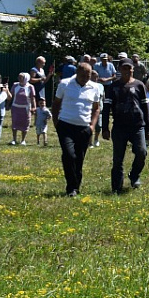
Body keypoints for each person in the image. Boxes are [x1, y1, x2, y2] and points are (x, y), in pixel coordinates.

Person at [51, 61, 103, 197]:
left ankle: (76, 187)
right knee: (69, 155)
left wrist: (92, 126)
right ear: (77, 73)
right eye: (83, 76)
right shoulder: (65, 84)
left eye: (88, 75)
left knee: (79, 158)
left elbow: (96, 108)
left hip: (84, 128)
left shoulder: (95, 87)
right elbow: (56, 104)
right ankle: (71, 187)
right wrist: (56, 122)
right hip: (66, 125)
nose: (86, 78)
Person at [104, 59, 148, 194]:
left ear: (133, 69)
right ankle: (117, 187)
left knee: (141, 152)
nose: (127, 70)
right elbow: (106, 108)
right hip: (119, 127)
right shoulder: (113, 87)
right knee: (118, 159)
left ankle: (134, 175)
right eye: (124, 68)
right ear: (119, 69)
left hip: (137, 126)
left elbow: (145, 107)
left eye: (129, 68)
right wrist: (105, 127)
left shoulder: (139, 85)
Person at [9, 72, 34, 145]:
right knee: (15, 123)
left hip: (26, 108)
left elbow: (32, 98)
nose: (19, 79)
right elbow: (11, 95)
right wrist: (8, 104)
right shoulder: (15, 85)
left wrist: (33, 107)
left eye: (21, 77)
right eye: (19, 77)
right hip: (15, 107)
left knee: (25, 123)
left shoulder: (30, 87)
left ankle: (23, 140)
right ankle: (14, 139)